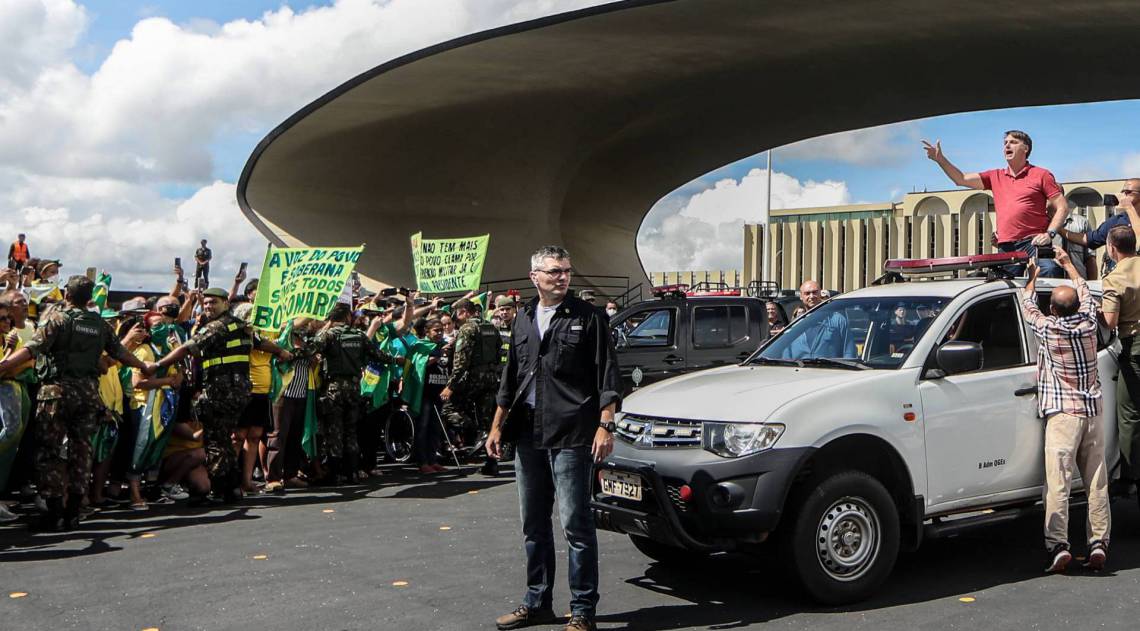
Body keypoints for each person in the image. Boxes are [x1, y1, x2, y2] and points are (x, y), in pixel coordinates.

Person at [487, 245, 621, 631]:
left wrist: (605, 424)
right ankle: (537, 601)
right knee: (533, 524)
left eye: (565, 271)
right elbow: (510, 378)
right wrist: (496, 426)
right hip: (528, 433)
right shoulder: (524, 317)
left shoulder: (589, 317)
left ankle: (582, 611)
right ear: (535, 277)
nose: (561, 277)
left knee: (576, 526)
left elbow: (608, 375)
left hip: (573, 433)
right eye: (553, 272)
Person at [0, 276, 154, 531]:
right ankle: (74, 510)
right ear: (89, 298)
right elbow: (120, 352)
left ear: (67, 295)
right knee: (82, 450)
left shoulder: (58, 319)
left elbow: (32, 349)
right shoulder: (100, 325)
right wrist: (143, 365)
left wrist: (5, 365)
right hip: (88, 394)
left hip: (56, 392)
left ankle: (54, 510)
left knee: (49, 452)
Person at [152, 287, 290, 502]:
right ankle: (232, 488)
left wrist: (157, 364)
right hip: (240, 393)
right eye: (206, 303)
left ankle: (222, 488)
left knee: (216, 441)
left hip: (220, 392)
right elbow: (261, 343)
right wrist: (281, 351)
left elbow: (188, 348)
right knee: (225, 440)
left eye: (214, 302)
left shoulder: (216, 327)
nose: (208, 306)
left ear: (226, 304)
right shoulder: (240, 326)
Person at [1020, 248, 1110, 572]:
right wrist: (1070, 265)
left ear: (1052, 309)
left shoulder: (1048, 328)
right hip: (1093, 413)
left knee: (1058, 480)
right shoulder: (1087, 324)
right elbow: (1085, 292)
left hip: (1063, 415)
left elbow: (1027, 305)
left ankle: (1058, 545)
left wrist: (1030, 276)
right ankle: (1099, 542)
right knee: (1096, 480)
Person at [923, 130, 1069, 277]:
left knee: (1050, 270)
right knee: (1002, 285)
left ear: (1025, 148)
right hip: (1007, 246)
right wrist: (940, 160)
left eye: (1013, 142)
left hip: (1034, 242)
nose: (1007, 145)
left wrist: (1049, 234)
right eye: (1005, 143)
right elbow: (961, 179)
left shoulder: (1041, 174)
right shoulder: (995, 176)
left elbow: (1062, 207)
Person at [310, 302, 395, 484]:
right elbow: (377, 355)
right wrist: (395, 360)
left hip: (334, 389)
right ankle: (353, 472)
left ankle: (336, 474)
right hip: (354, 388)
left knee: (335, 431)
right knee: (351, 430)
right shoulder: (359, 335)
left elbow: (310, 348)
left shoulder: (329, 336)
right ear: (348, 317)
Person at [1103, 194, 1140, 496]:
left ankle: (1130, 475)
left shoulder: (1115, 279)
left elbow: (1111, 322)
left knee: (1129, 414)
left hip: (1135, 346)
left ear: (1111, 248)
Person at [441, 298, 503, 476]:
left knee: (448, 409)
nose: (456, 317)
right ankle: (491, 463)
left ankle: (479, 433)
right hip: (491, 377)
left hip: (473, 378)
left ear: (464, 312)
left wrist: (450, 386)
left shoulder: (468, 328)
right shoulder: (490, 327)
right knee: (486, 418)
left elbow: (461, 362)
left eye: (457, 313)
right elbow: (499, 352)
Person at [1059, 178, 1140, 277]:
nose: (1123, 196)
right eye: (1122, 192)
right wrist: (1058, 229)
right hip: (1119, 278)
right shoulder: (1118, 219)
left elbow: (1138, 242)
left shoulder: (1129, 211)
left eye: (1128, 192)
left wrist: (1129, 207)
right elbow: (1089, 238)